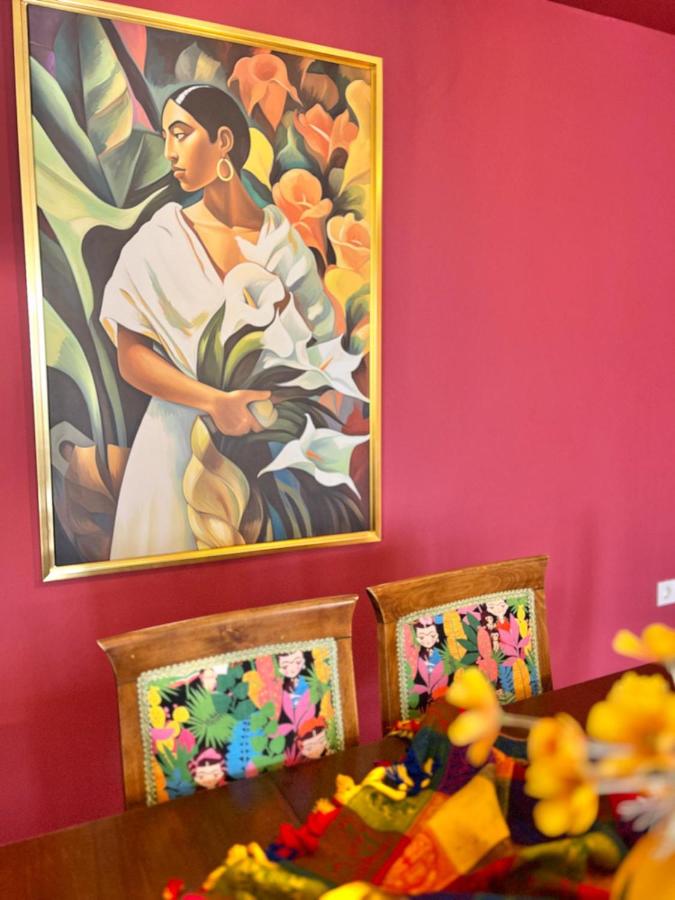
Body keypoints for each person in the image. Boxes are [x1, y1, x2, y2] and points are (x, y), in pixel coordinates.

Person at [100, 84, 335, 559]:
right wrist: (215, 402)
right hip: (172, 449)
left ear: (223, 141)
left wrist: (275, 406)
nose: (170, 152)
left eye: (181, 134)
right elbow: (131, 357)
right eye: (166, 137)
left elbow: (322, 345)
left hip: (264, 453)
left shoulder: (282, 241)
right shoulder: (159, 239)